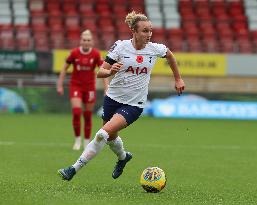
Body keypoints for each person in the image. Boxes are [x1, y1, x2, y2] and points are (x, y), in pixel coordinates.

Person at [58, 11, 185, 180]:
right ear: (134, 31)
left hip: (134, 104)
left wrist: (178, 78)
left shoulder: (155, 49)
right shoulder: (120, 47)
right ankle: (123, 157)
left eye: (150, 30)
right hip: (112, 99)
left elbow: (170, 56)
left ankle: (73, 169)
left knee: (102, 134)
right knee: (110, 137)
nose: (149, 34)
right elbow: (100, 72)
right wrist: (110, 70)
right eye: (145, 31)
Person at [57, 30, 108, 150]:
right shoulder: (74, 53)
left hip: (90, 87)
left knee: (87, 115)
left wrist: (107, 87)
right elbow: (64, 69)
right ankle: (77, 140)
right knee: (76, 112)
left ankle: (86, 142)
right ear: (81, 41)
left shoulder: (96, 54)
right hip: (76, 86)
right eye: (84, 40)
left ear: (92, 42)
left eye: (88, 40)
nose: (86, 42)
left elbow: (102, 70)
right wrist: (59, 85)